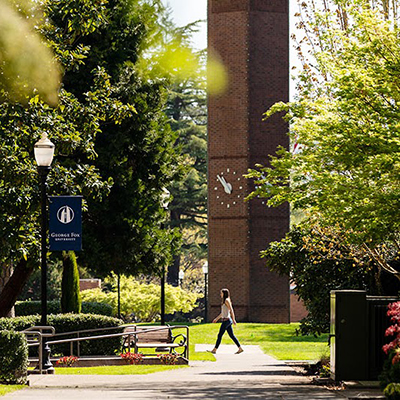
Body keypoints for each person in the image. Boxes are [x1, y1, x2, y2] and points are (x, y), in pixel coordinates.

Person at [208, 288, 244, 354]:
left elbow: (231, 310)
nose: (220, 294)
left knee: (220, 335)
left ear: (224, 294)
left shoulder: (227, 300)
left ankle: (214, 350)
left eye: (221, 293)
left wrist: (234, 319)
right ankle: (240, 348)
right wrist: (216, 319)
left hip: (226, 321)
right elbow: (223, 313)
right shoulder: (224, 301)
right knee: (231, 335)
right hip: (226, 320)